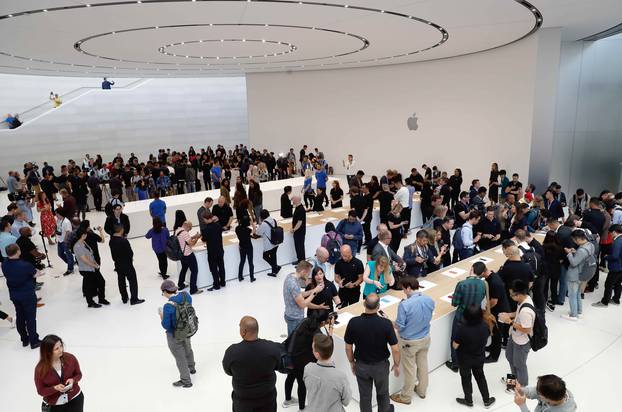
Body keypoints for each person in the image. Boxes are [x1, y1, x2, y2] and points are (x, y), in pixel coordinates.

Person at [344, 294, 400, 412]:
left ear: (364, 304)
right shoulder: (386, 324)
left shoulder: (353, 322)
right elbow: (395, 349)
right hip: (381, 366)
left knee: (365, 397)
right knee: (383, 394)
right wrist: (396, 364)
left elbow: (348, 348)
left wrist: (352, 362)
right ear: (379, 306)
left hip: (362, 365)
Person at [388, 277, 435, 405]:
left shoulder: (404, 305)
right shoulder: (429, 300)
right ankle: (421, 391)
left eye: (403, 289)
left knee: (409, 370)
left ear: (408, 288)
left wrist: (388, 321)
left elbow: (399, 326)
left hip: (409, 342)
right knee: (423, 365)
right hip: (425, 338)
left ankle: (405, 397)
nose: (403, 291)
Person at [222, 316, 282, 412]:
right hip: (268, 399)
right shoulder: (272, 348)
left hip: (243, 402)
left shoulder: (232, 352)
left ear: (244, 331)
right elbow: (278, 365)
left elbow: (228, 371)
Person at [283, 310, 333, 410]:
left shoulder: (305, 321)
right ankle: (302, 409)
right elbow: (327, 346)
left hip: (291, 355)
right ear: (323, 322)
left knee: (290, 377)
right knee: (302, 384)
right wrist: (330, 329)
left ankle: (287, 400)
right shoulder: (317, 334)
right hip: (302, 361)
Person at [445, 263, 487, 372]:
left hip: (461, 316)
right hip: (476, 316)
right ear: (482, 273)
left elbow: (454, 303)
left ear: (471, 269)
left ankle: (455, 364)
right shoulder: (483, 284)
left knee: (455, 339)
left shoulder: (462, 284)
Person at [452, 305, 496, 408]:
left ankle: (468, 400)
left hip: (464, 359)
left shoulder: (462, 329)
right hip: (479, 357)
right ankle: (486, 400)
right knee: (481, 377)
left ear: (466, 316)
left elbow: (455, 345)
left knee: (466, 378)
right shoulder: (485, 325)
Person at [1, 244, 41, 348]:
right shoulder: (25, 265)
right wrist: (38, 272)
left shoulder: (4, 264)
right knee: (30, 318)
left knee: (20, 316)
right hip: (27, 294)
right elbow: (35, 274)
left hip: (14, 295)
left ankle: (24, 339)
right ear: (18, 251)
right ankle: (34, 341)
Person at [159, 280, 196, 388]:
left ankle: (186, 380)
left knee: (180, 357)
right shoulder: (186, 295)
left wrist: (161, 316)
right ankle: (192, 367)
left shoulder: (168, 306)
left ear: (166, 291)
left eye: (163, 292)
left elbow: (166, 325)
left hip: (175, 334)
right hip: (187, 329)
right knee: (188, 348)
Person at [499, 279, 535, 388]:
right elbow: (517, 312)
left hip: (522, 341)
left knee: (519, 364)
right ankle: (514, 380)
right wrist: (509, 315)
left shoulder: (526, 312)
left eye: (512, 295)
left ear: (518, 295)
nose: (510, 296)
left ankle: (522, 386)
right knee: (509, 356)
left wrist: (509, 321)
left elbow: (526, 329)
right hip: (514, 336)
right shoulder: (523, 301)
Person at [473, 262, 510, 363]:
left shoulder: (494, 282)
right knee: (493, 331)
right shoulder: (491, 276)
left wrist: (486, 308)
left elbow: (494, 301)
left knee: (497, 333)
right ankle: (492, 347)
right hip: (497, 308)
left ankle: (494, 356)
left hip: (499, 311)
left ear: (482, 273)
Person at [34, 335, 84, 411]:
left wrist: (73, 380)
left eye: (61, 346)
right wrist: (54, 388)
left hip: (75, 399)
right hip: (54, 406)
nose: (61, 350)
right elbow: (41, 391)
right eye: (56, 349)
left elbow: (79, 374)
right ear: (48, 351)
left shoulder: (70, 358)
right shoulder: (40, 369)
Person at [304, 333, 352, 412]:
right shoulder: (340, 377)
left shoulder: (308, 369)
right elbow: (346, 401)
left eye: (313, 348)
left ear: (317, 354)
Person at [283, 261, 326, 335]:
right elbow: (302, 304)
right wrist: (314, 292)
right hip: (295, 318)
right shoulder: (294, 284)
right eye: (308, 273)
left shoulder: (290, 276)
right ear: (303, 272)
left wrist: (313, 290)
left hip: (289, 314)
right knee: (294, 341)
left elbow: (299, 294)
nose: (308, 276)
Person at [108, 224, 145, 305]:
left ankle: (124, 298)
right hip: (127, 264)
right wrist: (130, 259)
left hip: (117, 264)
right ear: (121, 230)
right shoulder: (123, 241)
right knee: (132, 281)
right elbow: (130, 253)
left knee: (121, 281)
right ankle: (134, 299)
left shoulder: (111, 240)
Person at [563, 229, 594, 320]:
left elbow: (574, 262)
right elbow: (583, 258)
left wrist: (569, 254)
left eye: (574, 240)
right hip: (583, 273)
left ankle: (573, 315)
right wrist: (575, 252)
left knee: (572, 295)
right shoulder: (590, 245)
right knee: (577, 294)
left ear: (578, 239)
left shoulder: (582, 250)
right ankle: (578, 311)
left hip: (575, 275)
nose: (573, 241)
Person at [73, 228, 108, 308]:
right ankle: (90, 302)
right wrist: (95, 265)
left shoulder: (83, 242)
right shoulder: (78, 246)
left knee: (101, 282)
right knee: (89, 286)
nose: (87, 235)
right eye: (85, 234)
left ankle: (101, 299)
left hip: (92, 267)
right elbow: (84, 259)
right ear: (82, 235)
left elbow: (90, 254)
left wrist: (95, 262)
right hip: (86, 269)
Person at [593, 224, 622, 307]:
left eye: (611, 233)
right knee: (617, 283)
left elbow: (615, 256)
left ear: (614, 232)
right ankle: (616, 300)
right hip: (620, 266)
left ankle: (604, 302)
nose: (610, 235)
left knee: (608, 284)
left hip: (615, 267)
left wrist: (606, 257)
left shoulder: (617, 242)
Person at [175, 221, 203, 294]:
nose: (189, 230)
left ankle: (180, 284)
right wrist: (197, 238)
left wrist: (194, 236)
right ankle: (193, 289)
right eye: (189, 229)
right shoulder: (185, 233)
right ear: (186, 226)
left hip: (181, 255)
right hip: (188, 255)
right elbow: (191, 244)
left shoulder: (177, 230)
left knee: (184, 269)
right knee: (194, 271)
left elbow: (186, 240)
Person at [201, 212, 226, 291]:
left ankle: (216, 284)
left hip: (212, 252)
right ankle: (223, 282)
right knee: (221, 266)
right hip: (220, 249)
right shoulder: (218, 225)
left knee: (214, 268)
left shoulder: (205, 229)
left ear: (206, 219)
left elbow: (204, 239)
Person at [257, 209, 281, 277]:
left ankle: (275, 268)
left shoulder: (264, 224)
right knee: (273, 255)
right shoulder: (273, 220)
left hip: (269, 244)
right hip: (276, 242)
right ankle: (274, 270)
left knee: (265, 256)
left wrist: (259, 223)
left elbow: (258, 232)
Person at [236, 214, 255, 282]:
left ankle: (240, 276)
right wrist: (253, 224)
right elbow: (254, 231)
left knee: (242, 261)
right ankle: (251, 277)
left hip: (241, 246)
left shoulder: (237, 228)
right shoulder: (248, 230)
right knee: (250, 262)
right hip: (249, 247)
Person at [55, 208, 75, 276]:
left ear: (60, 214)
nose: (56, 215)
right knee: (60, 254)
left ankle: (70, 268)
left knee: (68, 255)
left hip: (65, 241)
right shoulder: (58, 220)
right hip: (60, 240)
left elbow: (68, 232)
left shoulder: (66, 222)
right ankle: (71, 262)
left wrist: (65, 241)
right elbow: (58, 228)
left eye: (57, 213)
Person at [291, 196, 306, 263]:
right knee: (298, 246)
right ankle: (299, 260)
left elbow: (300, 222)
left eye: (293, 199)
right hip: (297, 231)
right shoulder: (297, 208)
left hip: (300, 232)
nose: (292, 201)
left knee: (300, 247)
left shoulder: (301, 209)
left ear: (297, 200)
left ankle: (302, 261)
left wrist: (294, 229)